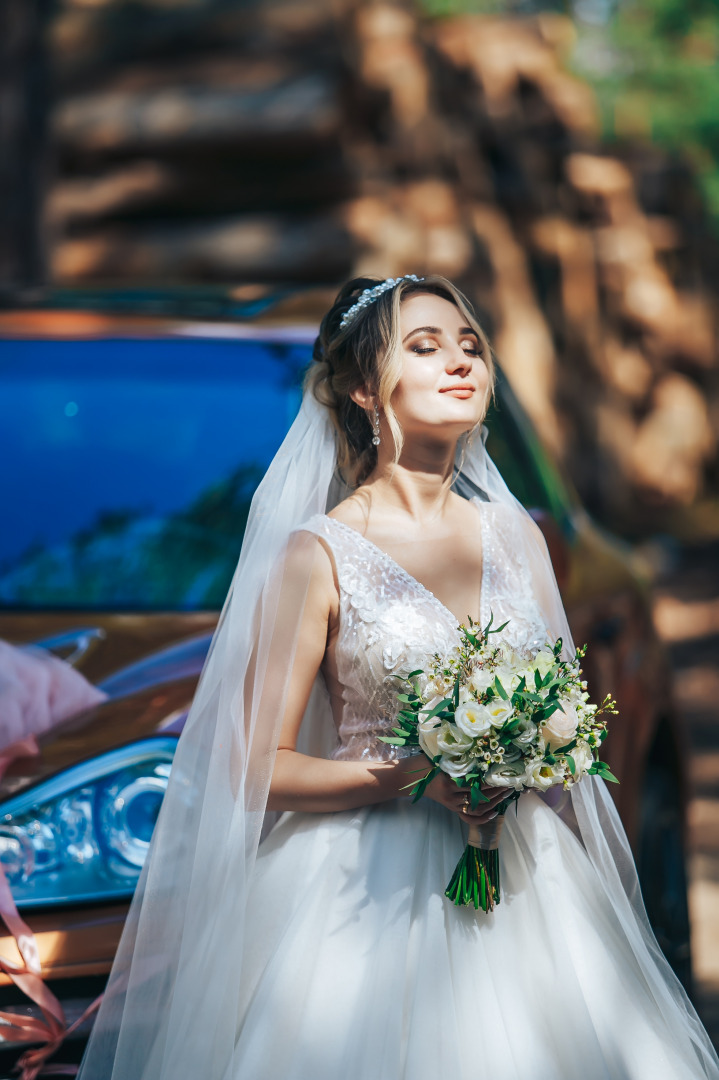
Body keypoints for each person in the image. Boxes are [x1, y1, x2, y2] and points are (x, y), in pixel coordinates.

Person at [78, 275, 719, 1080]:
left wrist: (528, 758)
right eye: (424, 347)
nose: (460, 362)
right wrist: (412, 773)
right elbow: (253, 769)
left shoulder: (517, 536)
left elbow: (563, 717)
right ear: (361, 389)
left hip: (522, 880)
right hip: (355, 897)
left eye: (470, 346)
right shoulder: (317, 555)